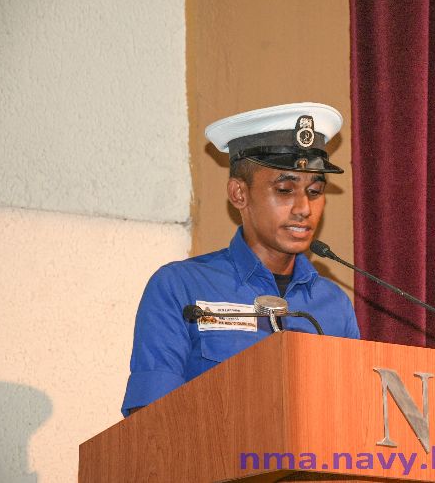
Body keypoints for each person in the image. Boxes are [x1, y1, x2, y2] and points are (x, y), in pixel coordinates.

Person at [121, 103, 360, 416]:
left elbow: (353, 416)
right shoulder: (181, 287)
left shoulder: (334, 305)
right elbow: (151, 420)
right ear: (239, 194)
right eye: (285, 189)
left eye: (315, 191)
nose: (304, 208)